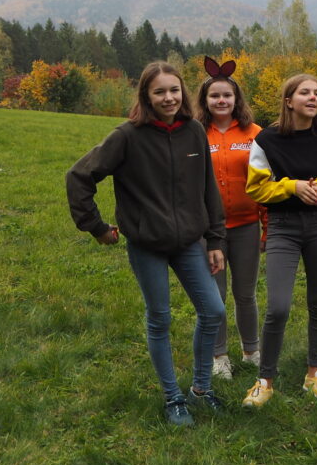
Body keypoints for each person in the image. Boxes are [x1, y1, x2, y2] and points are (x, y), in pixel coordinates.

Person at [66, 61, 227, 427]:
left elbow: (208, 188)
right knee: (160, 318)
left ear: (183, 92)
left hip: (189, 242)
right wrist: (95, 227)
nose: (169, 98)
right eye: (159, 92)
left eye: (174, 90)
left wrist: (215, 238)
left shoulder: (194, 132)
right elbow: (78, 176)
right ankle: (173, 398)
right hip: (147, 243)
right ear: (146, 96)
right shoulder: (127, 136)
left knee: (213, 311)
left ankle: (201, 389)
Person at [241, 74, 317, 407]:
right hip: (283, 226)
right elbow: (256, 187)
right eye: (305, 92)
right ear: (289, 101)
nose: (313, 97)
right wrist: (293, 187)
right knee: (278, 307)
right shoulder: (267, 140)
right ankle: (265, 380)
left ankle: (314, 374)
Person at [196, 56, 268, 381]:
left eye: (227, 95)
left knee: (245, 293)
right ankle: (219, 355)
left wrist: (266, 227)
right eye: (215, 95)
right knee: (215, 295)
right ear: (205, 100)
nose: (221, 100)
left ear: (237, 99)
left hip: (247, 226)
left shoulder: (255, 134)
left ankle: (251, 350)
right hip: (209, 231)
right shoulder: (196, 134)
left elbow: (265, 182)